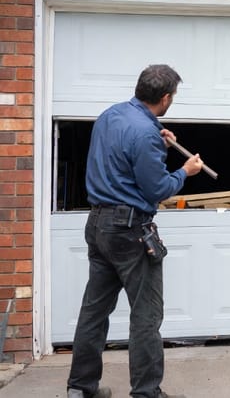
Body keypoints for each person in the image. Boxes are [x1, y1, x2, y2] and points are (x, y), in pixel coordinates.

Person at [68, 65, 203, 398]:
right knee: (146, 315)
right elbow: (157, 188)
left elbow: (123, 156)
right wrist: (185, 171)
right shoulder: (144, 132)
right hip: (130, 231)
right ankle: (146, 393)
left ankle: (80, 388)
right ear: (166, 97)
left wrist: (160, 138)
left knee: (94, 311)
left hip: (98, 224)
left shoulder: (109, 116)